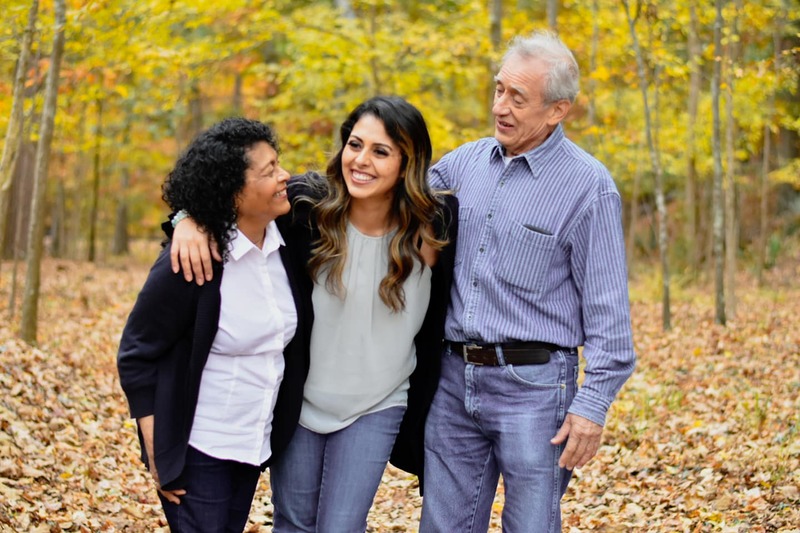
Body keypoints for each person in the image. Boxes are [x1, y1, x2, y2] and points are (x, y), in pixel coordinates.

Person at [168, 96, 458, 531]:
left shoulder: (435, 226)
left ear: (407, 162)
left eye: (380, 152)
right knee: (293, 522)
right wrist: (186, 219)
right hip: (300, 399)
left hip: (377, 403)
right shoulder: (306, 209)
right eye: (355, 144)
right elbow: (234, 201)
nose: (361, 160)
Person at [419, 30, 636, 532]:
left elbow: (609, 314)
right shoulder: (462, 164)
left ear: (556, 110)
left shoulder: (589, 187)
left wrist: (593, 405)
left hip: (535, 389)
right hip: (453, 380)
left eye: (518, 97)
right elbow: (382, 199)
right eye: (499, 90)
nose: (501, 106)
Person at [117, 117, 311, 532]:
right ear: (233, 192)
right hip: (198, 451)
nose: (285, 176)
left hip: (254, 445)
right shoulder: (191, 262)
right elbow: (135, 356)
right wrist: (158, 452)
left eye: (280, 163)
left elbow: (350, 184)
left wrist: (182, 214)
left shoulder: (290, 235)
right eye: (270, 170)